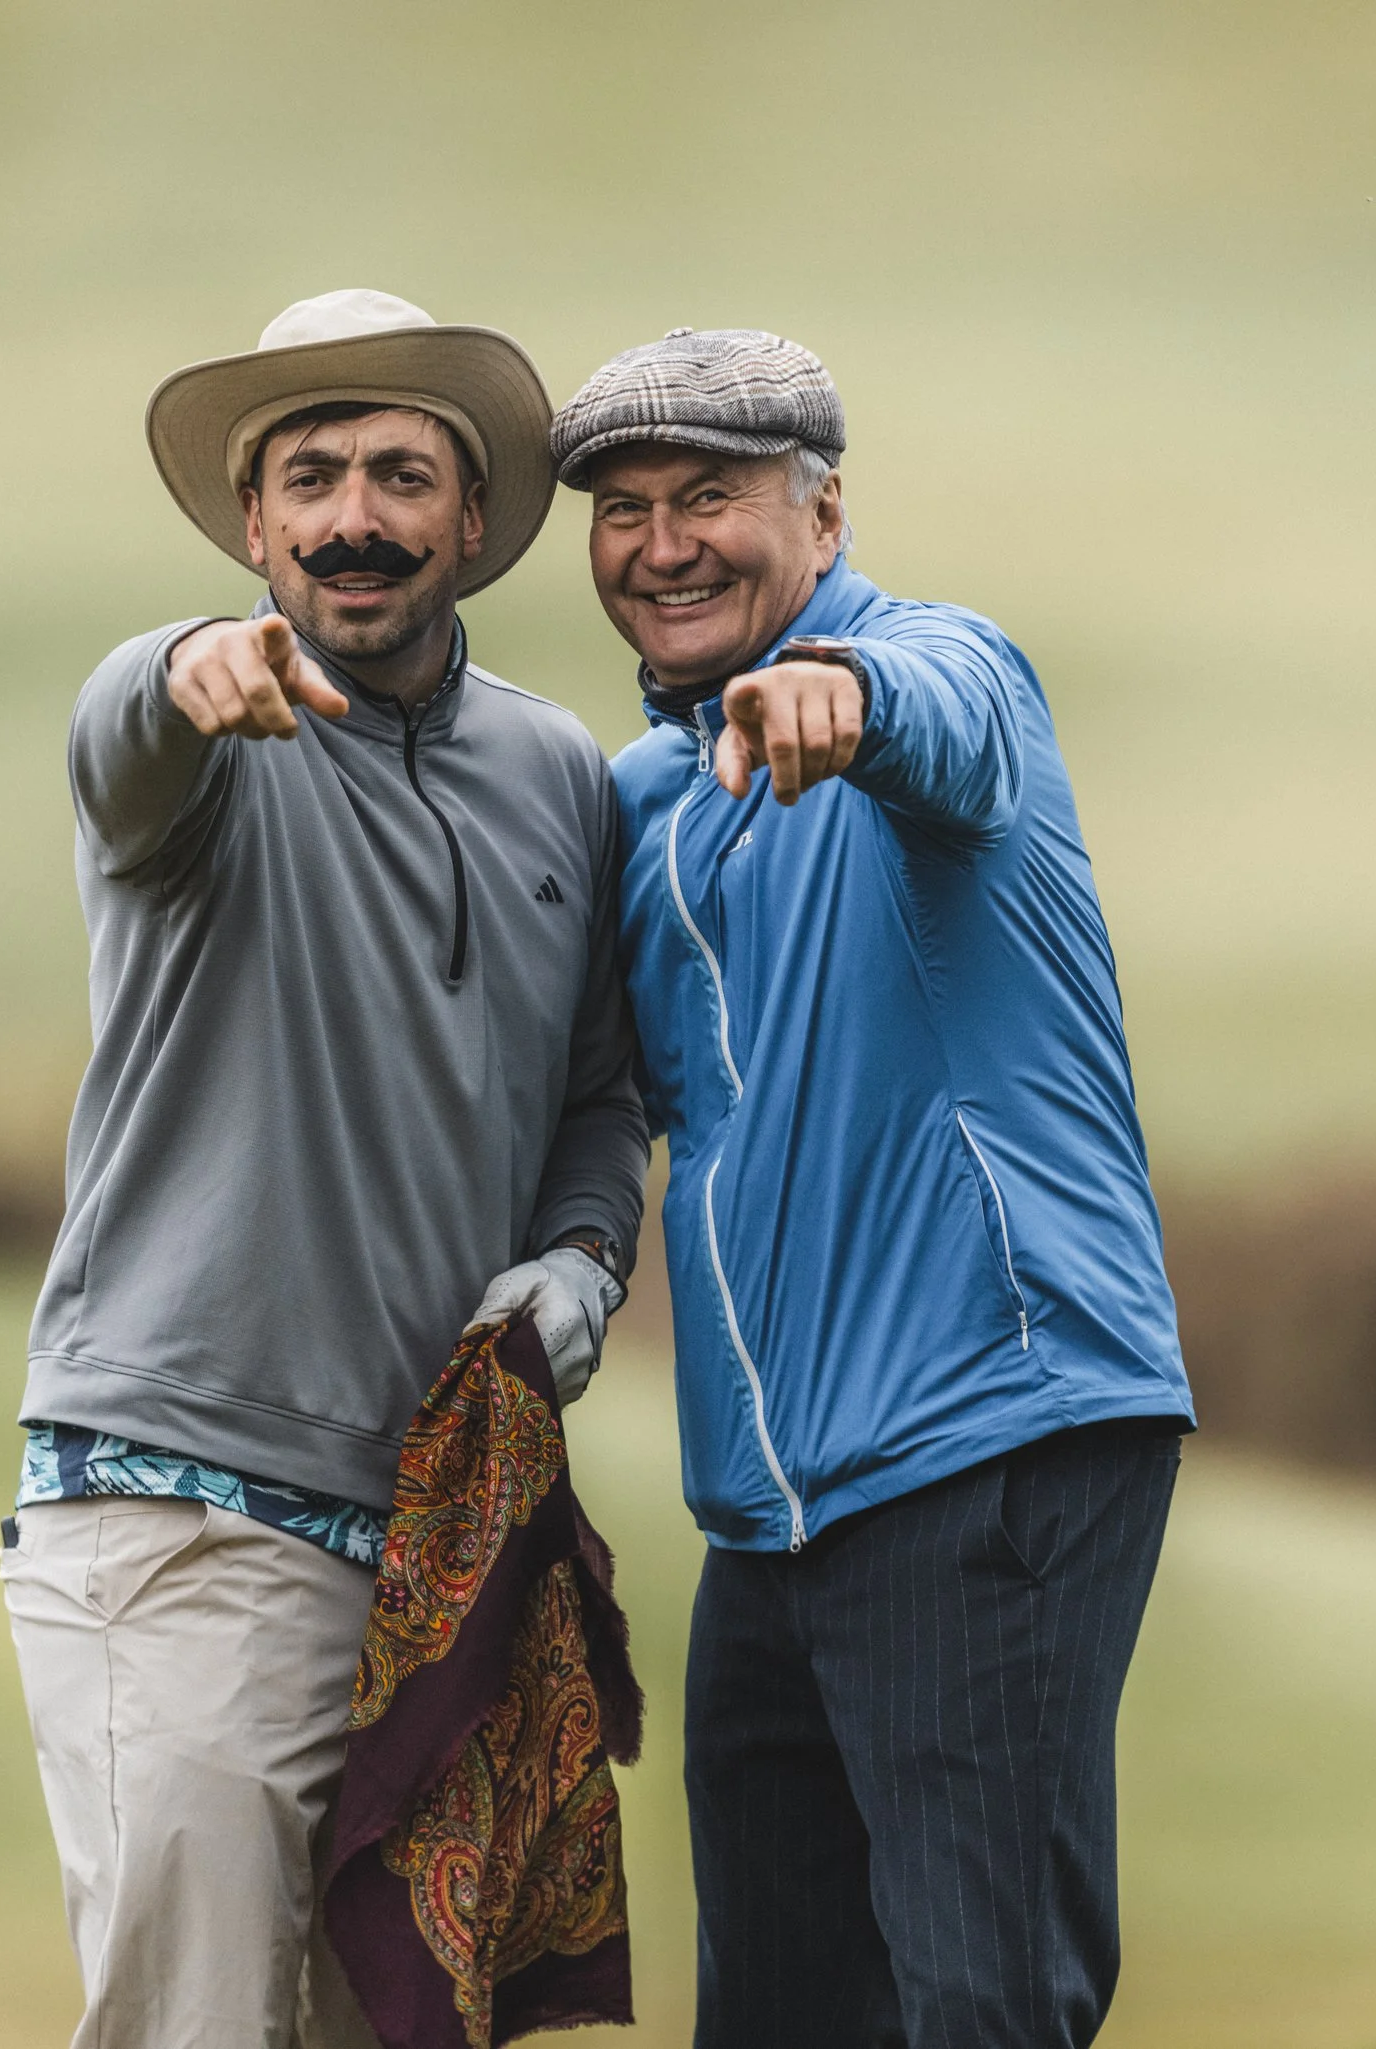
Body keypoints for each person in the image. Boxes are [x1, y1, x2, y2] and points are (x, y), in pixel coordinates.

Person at [1, 289, 647, 2049]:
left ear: (474, 523)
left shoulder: (557, 780)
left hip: (442, 1556)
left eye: (397, 474)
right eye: (310, 477)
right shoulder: (199, 736)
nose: (353, 513)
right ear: (255, 524)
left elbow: (599, 1095)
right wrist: (187, 674)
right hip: (182, 1512)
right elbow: (126, 736)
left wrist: (586, 1258)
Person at [551, 327, 1195, 2049]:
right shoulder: (643, 802)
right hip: (775, 1509)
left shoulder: (935, 666)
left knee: (981, 2007)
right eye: (625, 509)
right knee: (774, 2015)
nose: (664, 542)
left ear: (823, 515)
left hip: (991, 1428)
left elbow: (951, 726)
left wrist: (852, 700)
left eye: (710, 497)